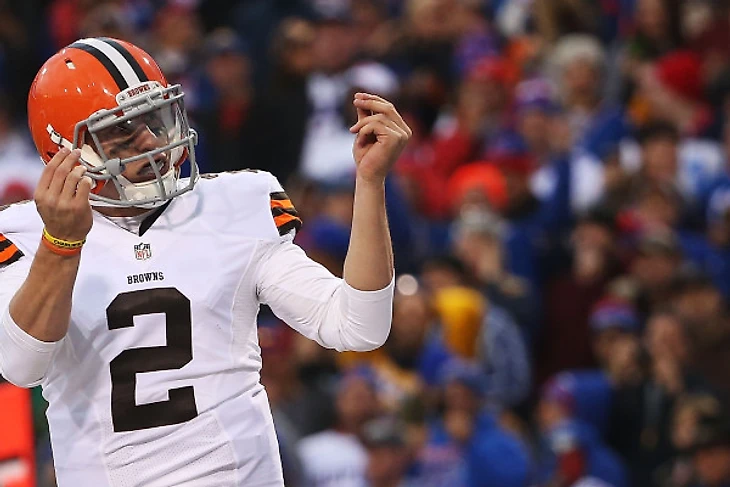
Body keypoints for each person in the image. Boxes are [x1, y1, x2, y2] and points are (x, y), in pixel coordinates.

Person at [0, 37, 411, 486]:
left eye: (154, 118)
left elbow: (359, 325)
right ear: (62, 151)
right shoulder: (24, 231)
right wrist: (60, 243)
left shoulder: (234, 202)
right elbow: (22, 365)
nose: (151, 142)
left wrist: (370, 184)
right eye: (120, 131)